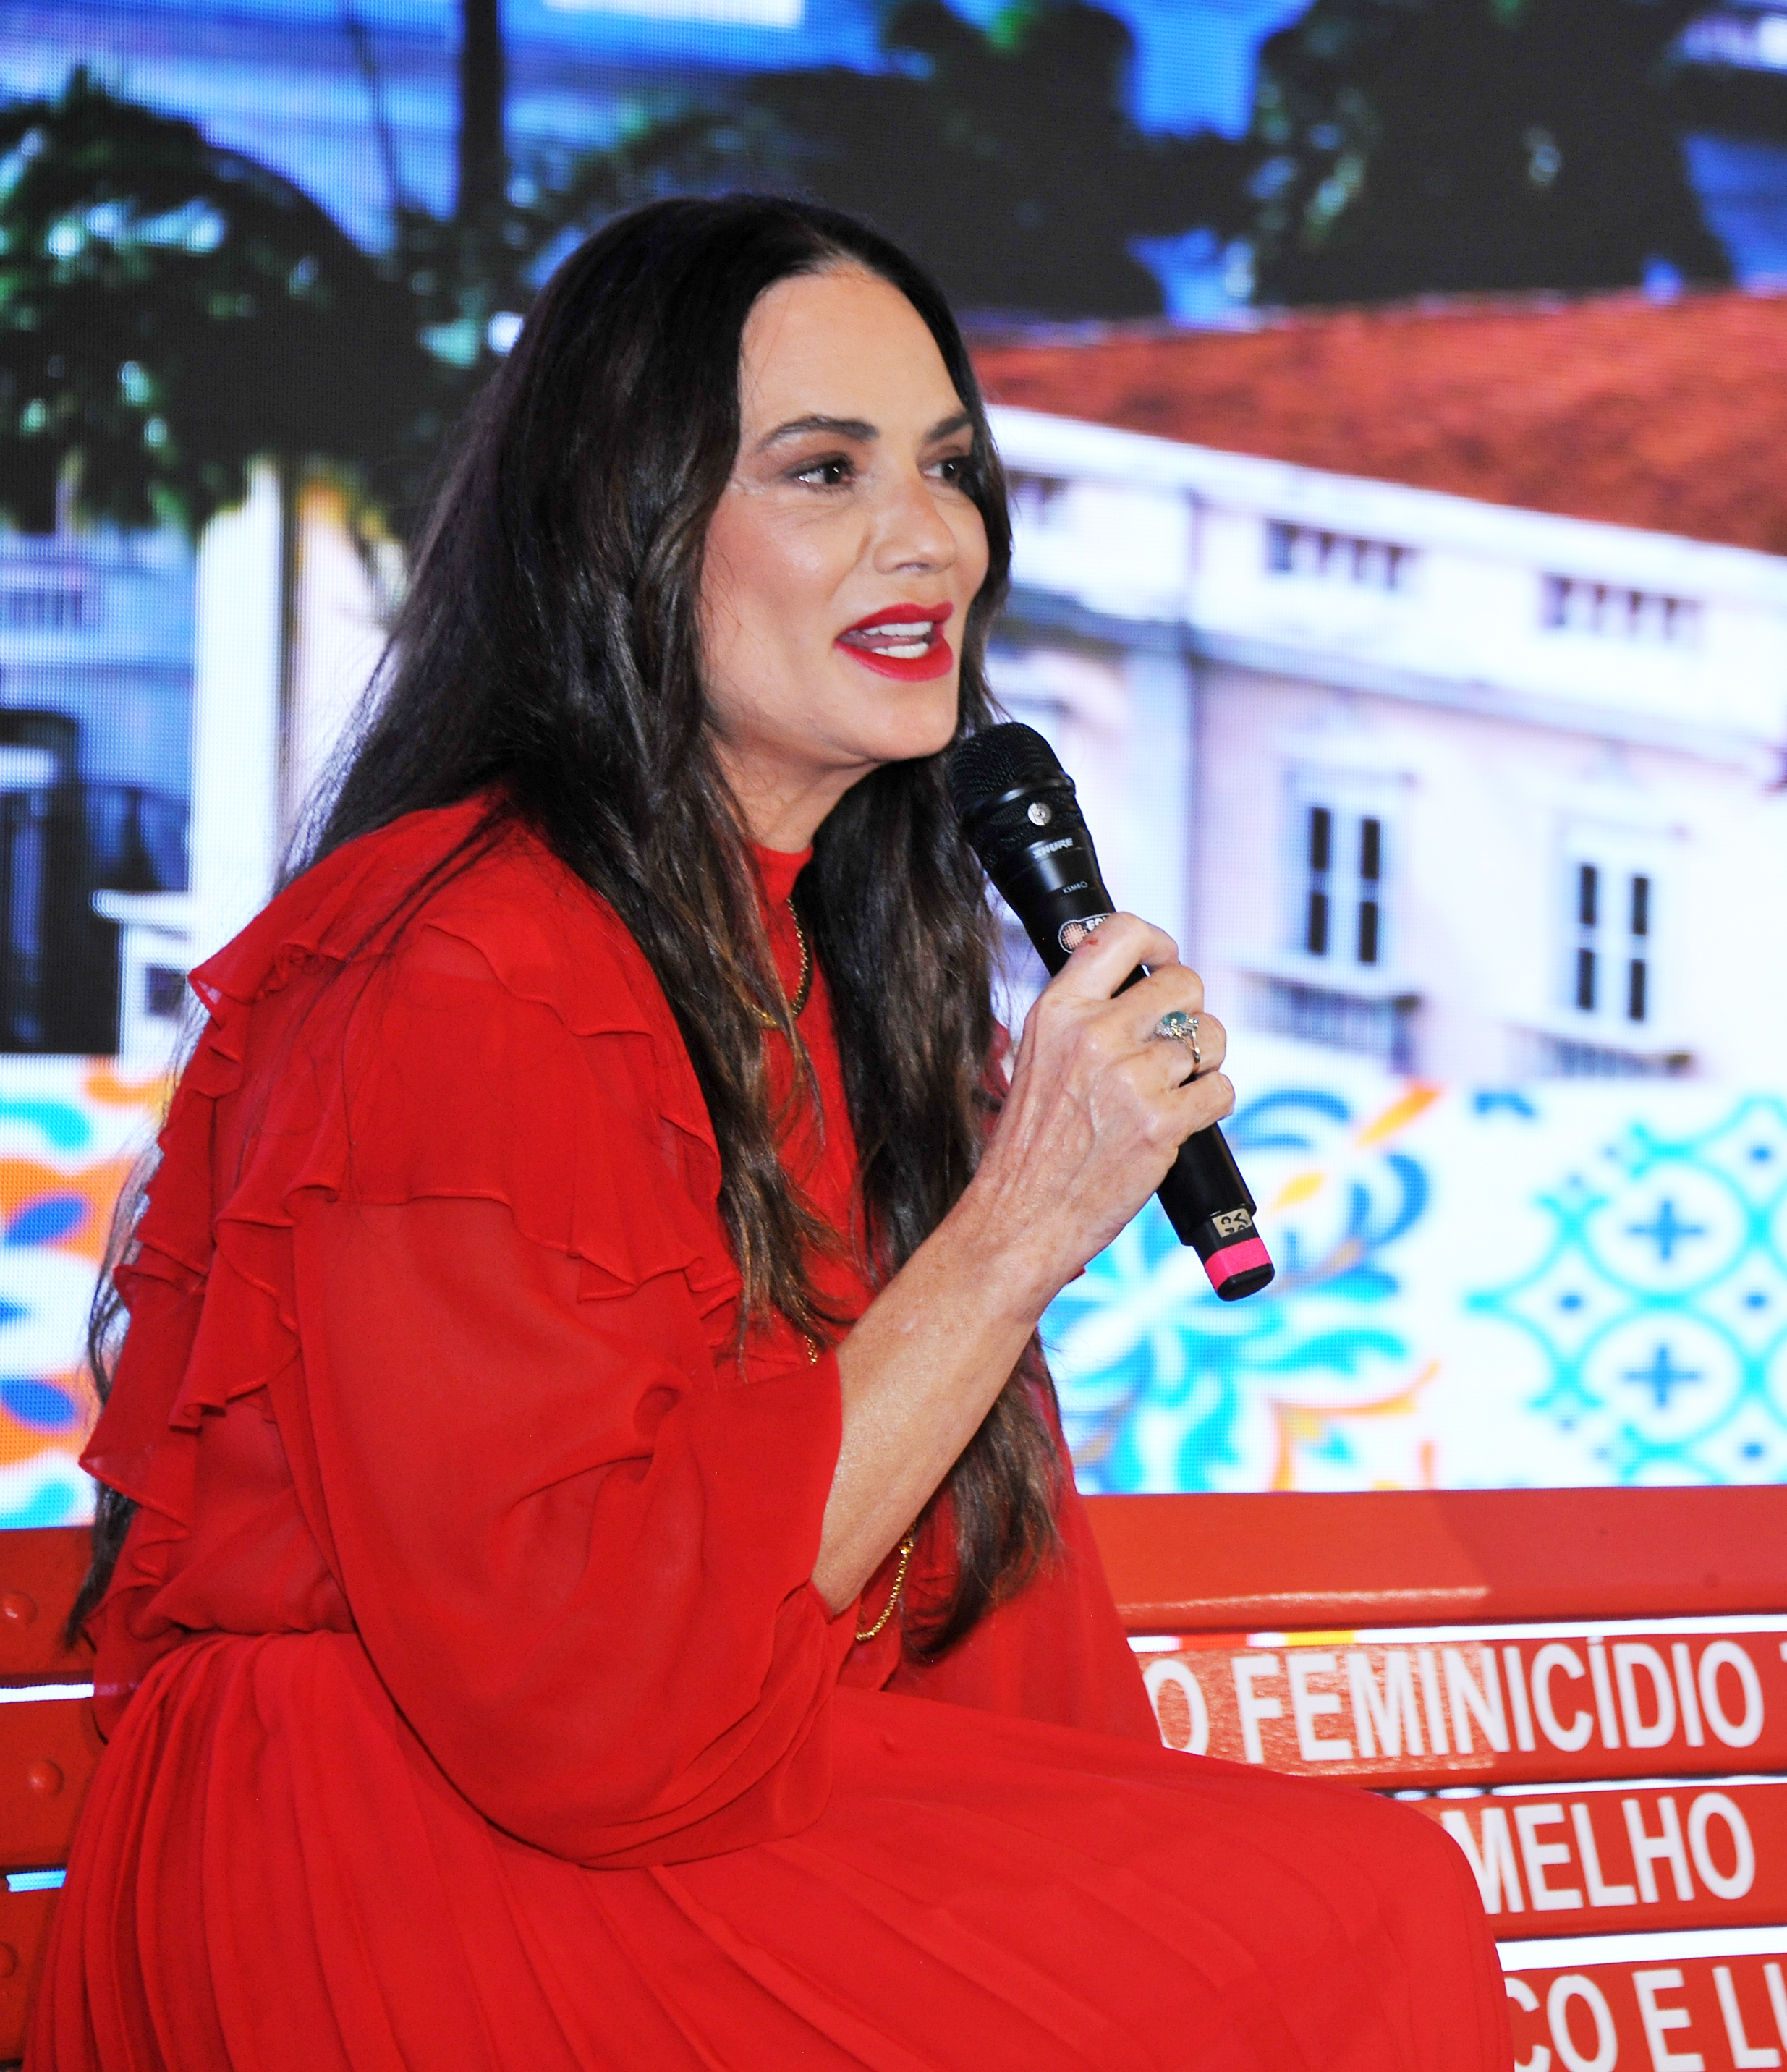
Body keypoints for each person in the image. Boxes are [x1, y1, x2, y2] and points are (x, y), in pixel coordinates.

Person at [36, 195, 1506, 2070]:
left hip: (676, 1812)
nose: (931, 538)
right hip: (394, 1858)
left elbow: (975, 1605)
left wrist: (1113, 1858)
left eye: (950, 469)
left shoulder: (827, 962)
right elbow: (579, 1694)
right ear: (626, 526)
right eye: (825, 470)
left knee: (1310, 1911)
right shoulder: (466, 962)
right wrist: (1014, 1233)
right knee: (1343, 1916)